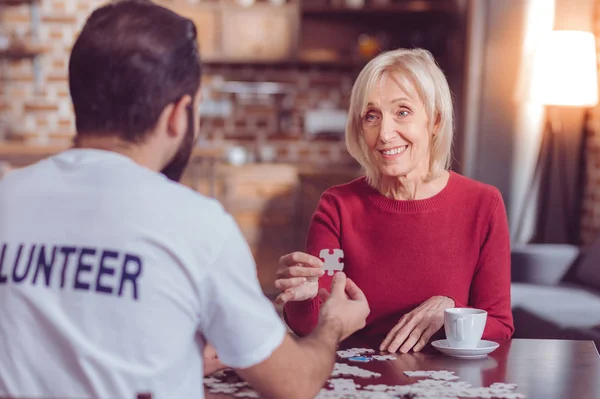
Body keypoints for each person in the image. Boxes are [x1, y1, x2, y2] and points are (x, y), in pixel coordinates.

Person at [0, 1, 370, 398]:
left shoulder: (7, 197)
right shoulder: (197, 225)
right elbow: (294, 383)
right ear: (179, 114)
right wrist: (332, 324)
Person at [275, 48, 514, 354]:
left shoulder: (483, 204)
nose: (385, 134)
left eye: (402, 112)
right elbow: (311, 324)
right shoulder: (338, 206)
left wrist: (451, 313)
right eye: (372, 116)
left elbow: (500, 325)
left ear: (435, 120)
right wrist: (304, 296)